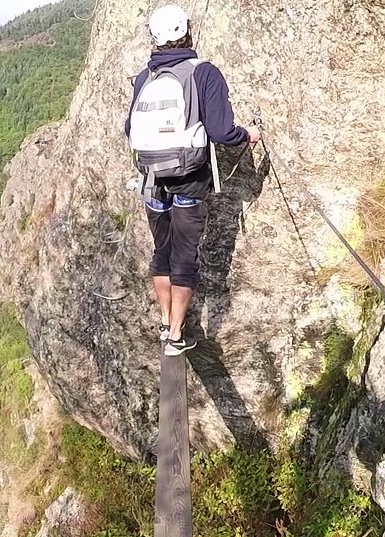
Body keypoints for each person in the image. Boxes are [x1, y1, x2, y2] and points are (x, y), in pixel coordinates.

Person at [126, 3, 259, 357]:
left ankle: (167, 319)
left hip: (152, 177)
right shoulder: (203, 73)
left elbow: (129, 129)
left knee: (162, 252)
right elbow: (221, 131)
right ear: (187, 32)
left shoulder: (144, 78)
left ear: (154, 39)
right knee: (184, 256)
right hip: (189, 178)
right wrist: (248, 135)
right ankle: (175, 333)